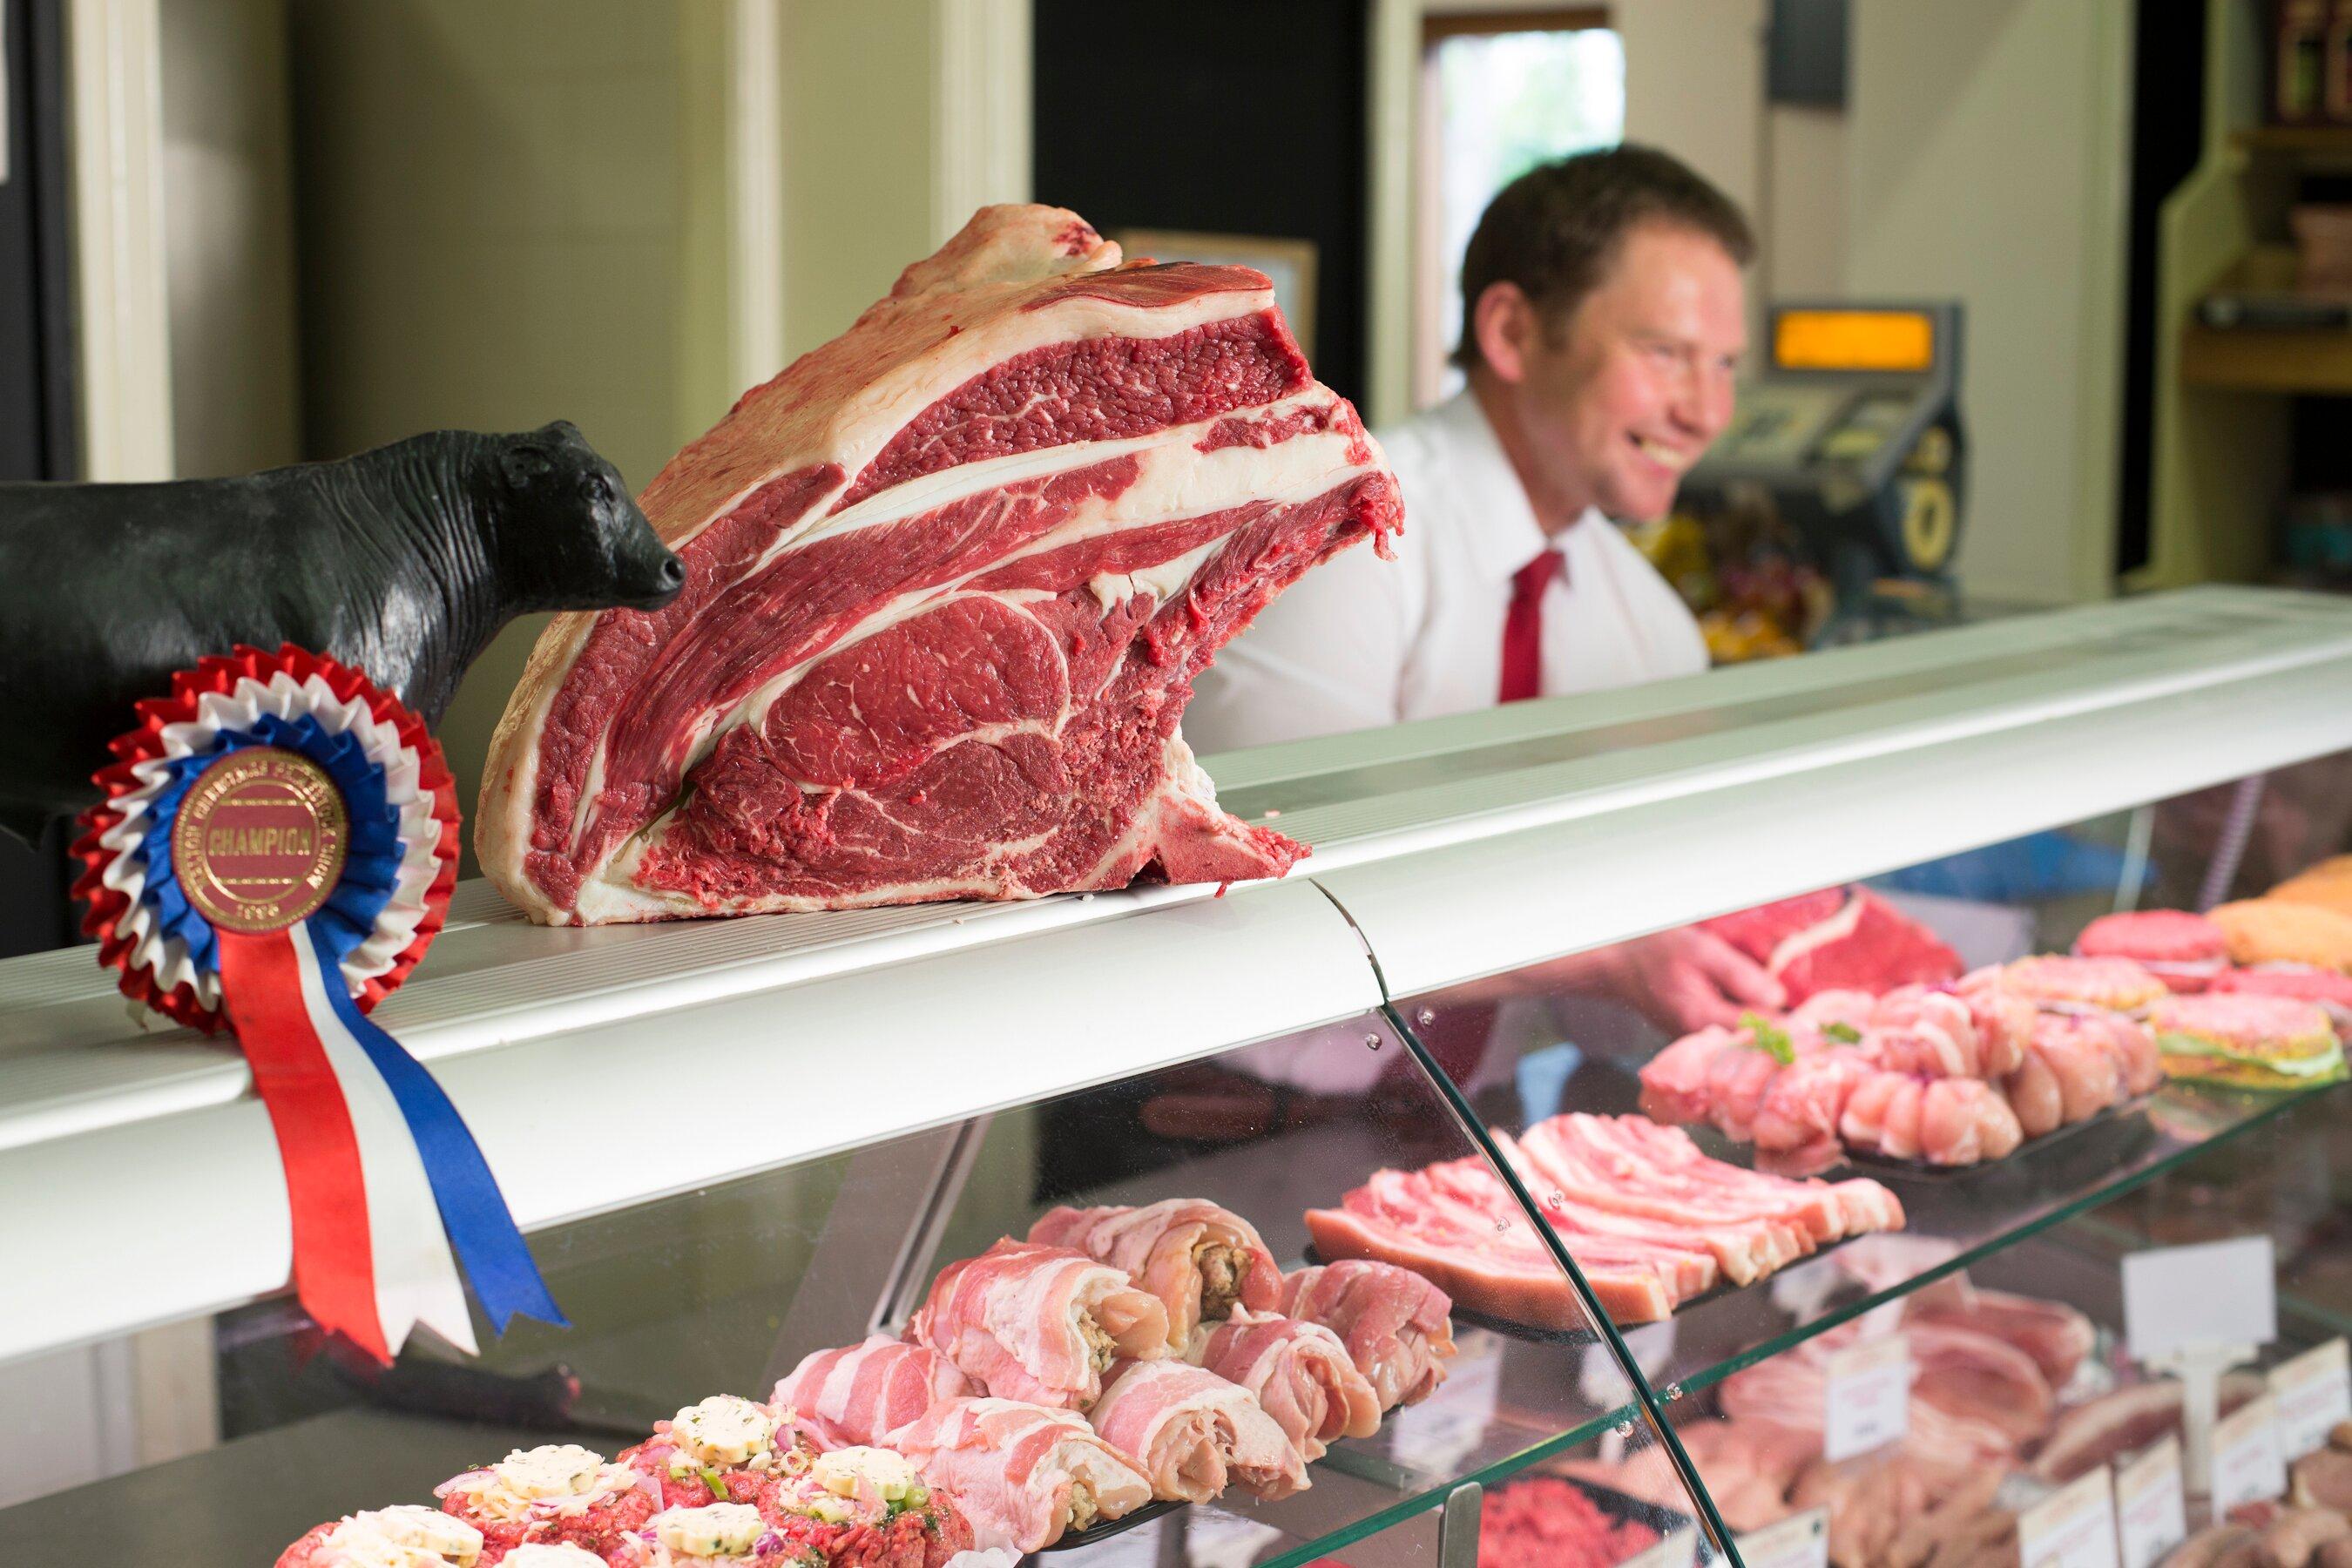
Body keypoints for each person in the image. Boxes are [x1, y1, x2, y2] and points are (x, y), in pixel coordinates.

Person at [1190, 144, 1779, 1035]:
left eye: (1725, 364)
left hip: (1483, 1132)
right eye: (1667, 353)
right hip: (1232, 1126)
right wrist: (1610, 960)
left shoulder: (1653, 628)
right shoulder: (1339, 537)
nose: (1706, 411)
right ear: (1511, 332)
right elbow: (1283, 894)